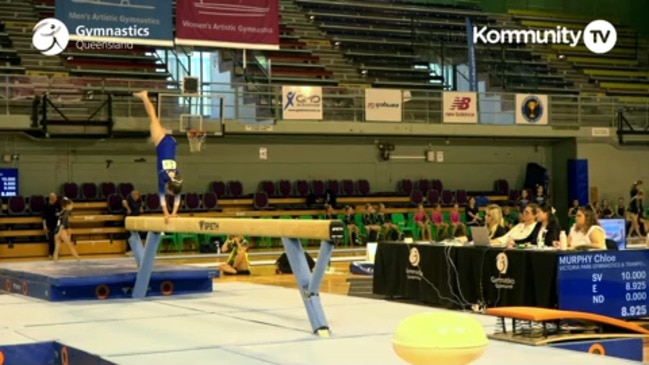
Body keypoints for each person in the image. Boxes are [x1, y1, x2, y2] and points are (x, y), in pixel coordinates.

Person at [133, 90, 183, 224]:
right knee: (152, 117)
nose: (170, 194)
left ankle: (145, 97)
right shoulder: (163, 177)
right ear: (169, 188)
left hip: (172, 143)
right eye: (170, 193)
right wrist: (167, 214)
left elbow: (177, 196)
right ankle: (144, 96)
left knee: (154, 119)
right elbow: (162, 198)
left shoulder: (177, 178)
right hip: (161, 142)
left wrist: (173, 214)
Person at [53, 197, 81, 262]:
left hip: (56, 230)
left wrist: (57, 234)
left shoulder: (62, 211)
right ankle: (78, 259)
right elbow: (62, 223)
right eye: (71, 205)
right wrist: (60, 233)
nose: (72, 206)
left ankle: (55, 261)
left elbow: (60, 220)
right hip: (61, 230)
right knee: (70, 246)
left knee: (56, 248)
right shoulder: (66, 212)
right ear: (67, 205)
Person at [123, 190, 144, 256]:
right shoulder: (129, 198)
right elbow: (123, 202)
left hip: (136, 218)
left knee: (138, 234)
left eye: (137, 196)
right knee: (129, 234)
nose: (136, 197)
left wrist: (141, 208)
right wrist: (128, 208)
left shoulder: (139, 200)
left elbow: (142, 204)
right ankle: (128, 249)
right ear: (132, 195)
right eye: (135, 195)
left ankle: (137, 249)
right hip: (129, 218)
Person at [42, 193, 61, 259]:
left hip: (57, 225)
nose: (56, 199)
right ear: (51, 198)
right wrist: (44, 225)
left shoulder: (58, 205)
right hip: (49, 225)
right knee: (51, 240)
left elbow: (61, 214)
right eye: (55, 197)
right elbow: (43, 217)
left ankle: (56, 253)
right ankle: (50, 253)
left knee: (57, 240)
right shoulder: (46, 205)